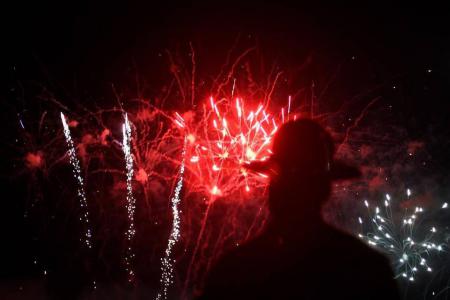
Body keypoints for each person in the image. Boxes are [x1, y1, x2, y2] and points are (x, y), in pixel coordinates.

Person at [197, 119, 399, 299]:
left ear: (272, 189)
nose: (285, 189)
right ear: (325, 190)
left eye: (288, 182)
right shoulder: (364, 268)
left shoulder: (236, 270)